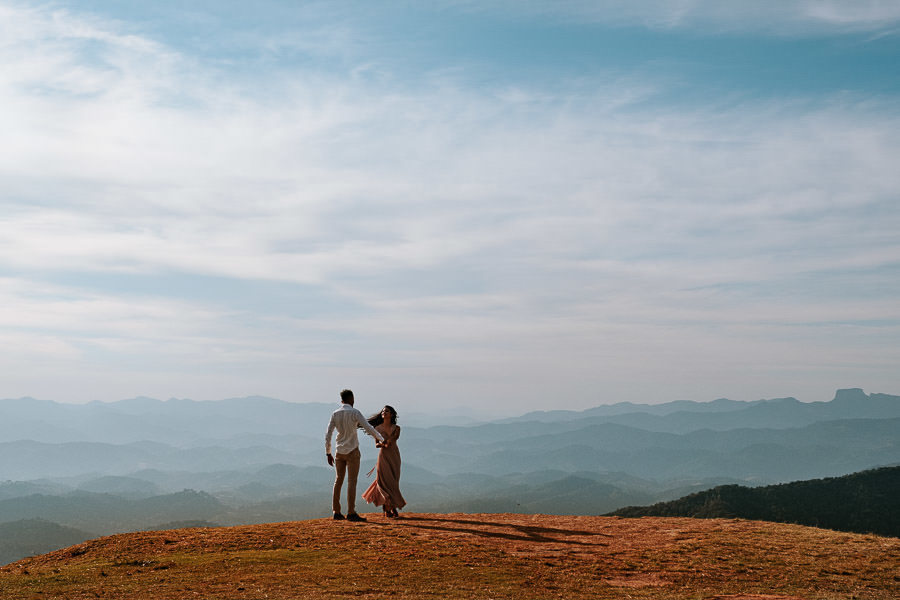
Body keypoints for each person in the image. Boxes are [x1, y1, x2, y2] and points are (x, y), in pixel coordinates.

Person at [325, 389, 385, 522]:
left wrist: (328, 453)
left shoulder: (335, 414)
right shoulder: (355, 413)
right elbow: (369, 428)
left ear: (341, 400)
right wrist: (382, 439)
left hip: (339, 451)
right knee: (352, 482)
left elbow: (328, 434)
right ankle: (351, 512)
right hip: (352, 451)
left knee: (338, 481)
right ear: (352, 399)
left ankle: (336, 511)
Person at [361, 405, 406, 518]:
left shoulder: (397, 428)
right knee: (383, 482)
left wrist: (386, 442)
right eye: (383, 411)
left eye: (387, 411)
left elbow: (393, 440)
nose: (384, 412)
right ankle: (387, 508)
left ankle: (392, 506)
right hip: (383, 456)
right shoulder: (377, 429)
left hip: (394, 456)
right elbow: (377, 445)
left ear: (391, 414)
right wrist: (383, 443)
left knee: (393, 482)